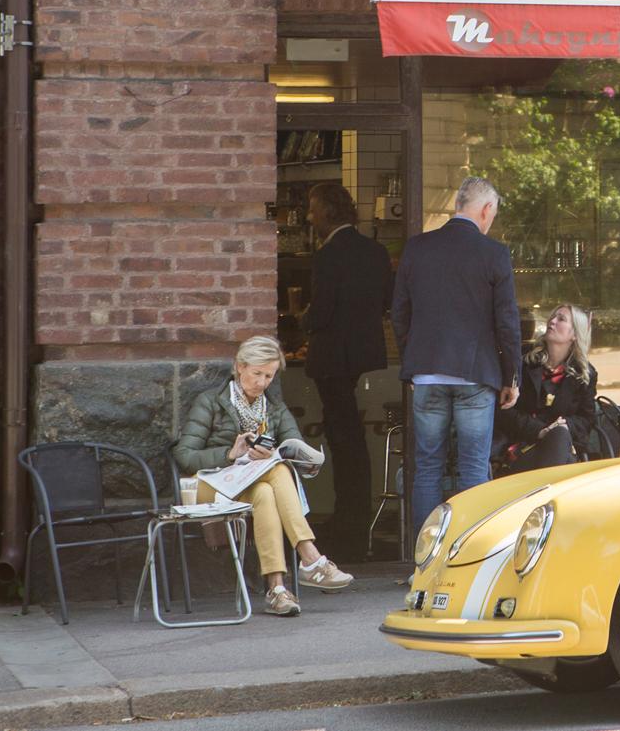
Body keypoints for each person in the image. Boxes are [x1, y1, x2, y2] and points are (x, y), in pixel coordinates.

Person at [173, 335, 354, 617]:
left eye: (269, 376)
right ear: (240, 367)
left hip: (252, 485)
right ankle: (311, 558)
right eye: (257, 373)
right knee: (277, 473)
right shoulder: (210, 401)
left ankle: (277, 589)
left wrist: (286, 455)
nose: (262, 382)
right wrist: (230, 454)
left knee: (267, 490)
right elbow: (184, 455)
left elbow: (294, 445)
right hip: (210, 485)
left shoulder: (274, 406)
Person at [393, 176, 521, 524]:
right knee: (473, 468)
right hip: (475, 375)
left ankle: (424, 563)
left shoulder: (417, 248)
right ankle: (468, 562)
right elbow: (507, 322)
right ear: (486, 209)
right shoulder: (494, 253)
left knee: (428, 468)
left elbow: (400, 313)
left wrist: (412, 363)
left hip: (427, 374)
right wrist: (511, 376)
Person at [304, 181, 391, 562]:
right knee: (354, 442)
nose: (309, 217)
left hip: (332, 361)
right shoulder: (375, 251)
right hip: (364, 358)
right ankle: (356, 521)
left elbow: (320, 314)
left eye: (312, 209)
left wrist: (302, 318)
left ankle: (346, 525)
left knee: (343, 442)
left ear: (327, 212)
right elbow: (385, 302)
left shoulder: (327, 257)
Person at [496, 304, 600, 473]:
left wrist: (565, 425)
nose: (552, 321)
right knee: (564, 457)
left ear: (575, 334)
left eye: (561, 319)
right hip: (521, 448)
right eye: (553, 316)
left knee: (559, 435)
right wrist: (540, 431)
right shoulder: (523, 361)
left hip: (558, 447)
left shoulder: (584, 374)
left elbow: (587, 419)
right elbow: (503, 410)